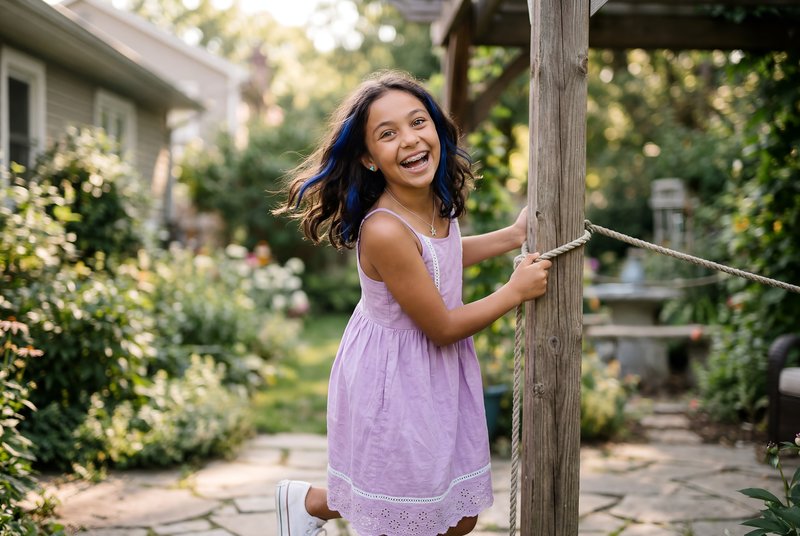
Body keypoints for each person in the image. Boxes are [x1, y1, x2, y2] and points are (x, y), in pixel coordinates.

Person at [275, 70, 551, 536]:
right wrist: (513, 292)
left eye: (417, 122)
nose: (409, 140)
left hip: (433, 372)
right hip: (394, 377)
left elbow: (441, 258)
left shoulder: (432, 203)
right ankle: (307, 502)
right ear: (367, 157)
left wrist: (511, 236)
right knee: (409, 509)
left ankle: (309, 503)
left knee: (458, 514)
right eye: (388, 134)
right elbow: (441, 326)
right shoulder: (384, 230)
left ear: (437, 130)